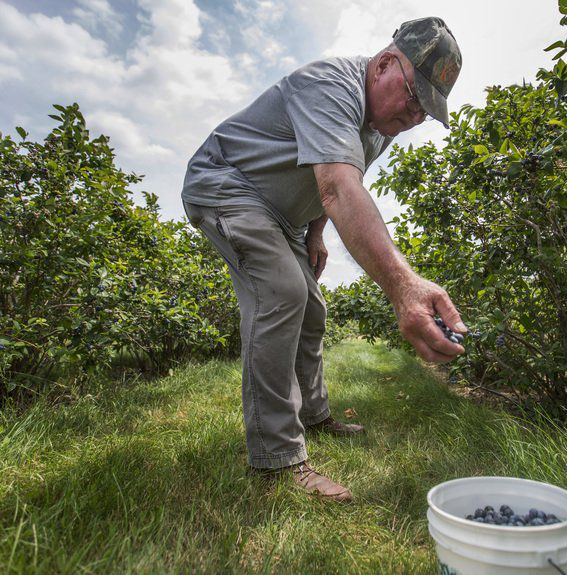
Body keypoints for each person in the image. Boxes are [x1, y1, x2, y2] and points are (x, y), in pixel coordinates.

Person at [181, 16, 466, 503]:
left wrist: (315, 233)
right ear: (383, 65)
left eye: (428, 111)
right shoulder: (328, 84)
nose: (416, 116)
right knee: (283, 294)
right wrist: (403, 287)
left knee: (313, 308)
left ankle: (314, 415)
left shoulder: (378, 130)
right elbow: (337, 186)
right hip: (227, 186)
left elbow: (332, 181)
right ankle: (278, 458)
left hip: (284, 217)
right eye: (414, 97)